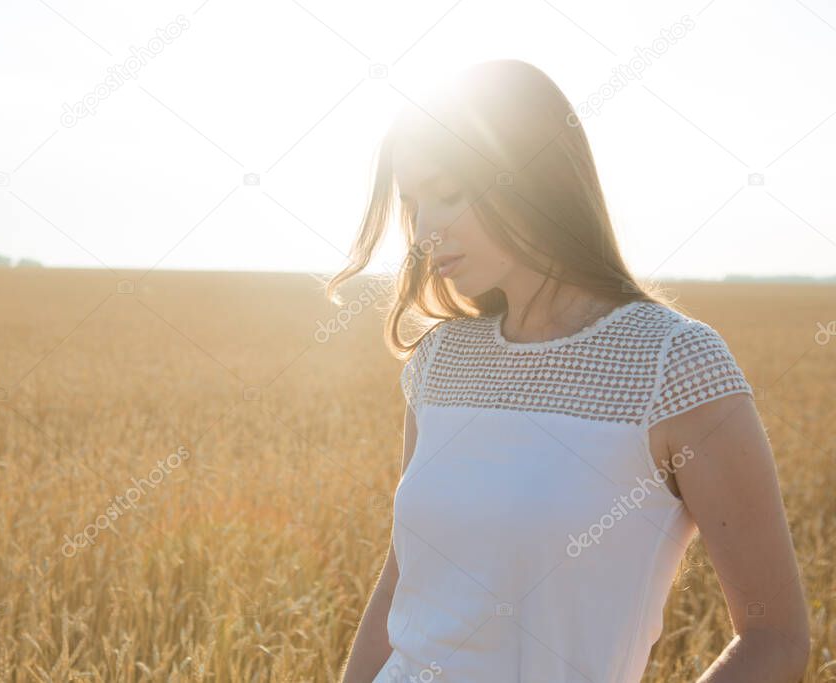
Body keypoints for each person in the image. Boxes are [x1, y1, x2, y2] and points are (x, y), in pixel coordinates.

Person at [329, 59, 810, 683]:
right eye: (414, 205)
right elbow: (401, 583)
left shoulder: (674, 365)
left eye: (448, 193)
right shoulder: (439, 361)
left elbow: (775, 639)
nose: (425, 232)